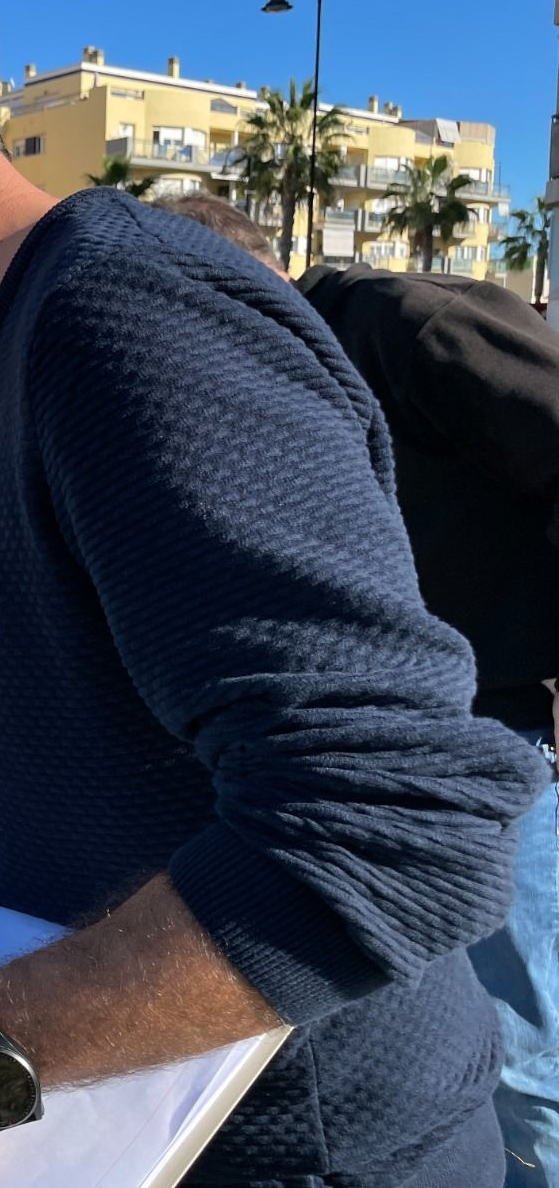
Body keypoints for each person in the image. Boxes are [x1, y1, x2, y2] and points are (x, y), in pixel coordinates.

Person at [0, 0, 550, 1186]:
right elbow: (100, 699)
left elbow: (395, 826)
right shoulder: (36, 338)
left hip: (315, 1154)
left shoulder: (121, 323)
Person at [156, 189, 559, 1187]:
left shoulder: (406, 325)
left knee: (521, 1051)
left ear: (242, 287)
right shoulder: (264, 388)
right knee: (445, 1046)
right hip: (377, 763)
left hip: (500, 742)